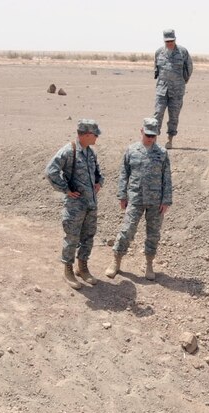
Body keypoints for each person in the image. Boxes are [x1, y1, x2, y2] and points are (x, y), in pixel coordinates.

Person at [106, 118, 172, 281]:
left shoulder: (162, 153)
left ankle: (149, 264)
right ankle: (116, 261)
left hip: (156, 201)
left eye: (153, 135)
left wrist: (166, 200)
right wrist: (122, 195)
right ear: (141, 131)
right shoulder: (131, 150)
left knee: (153, 234)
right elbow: (124, 174)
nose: (150, 138)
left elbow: (167, 178)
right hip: (135, 198)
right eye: (148, 134)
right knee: (127, 230)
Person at [45, 119, 104, 290]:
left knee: (88, 237)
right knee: (72, 238)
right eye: (95, 134)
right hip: (75, 206)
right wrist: (66, 189)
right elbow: (51, 171)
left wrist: (99, 182)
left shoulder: (90, 152)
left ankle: (83, 268)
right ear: (86, 135)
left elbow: (97, 172)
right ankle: (68, 270)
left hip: (91, 204)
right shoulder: (69, 151)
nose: (97, 138)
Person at [153, 29, 193, 149]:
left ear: (175, 39)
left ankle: (170, 140)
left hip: (177, 90)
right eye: (167, 41)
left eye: (171, 40)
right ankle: (153, 140)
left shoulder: (182, 52)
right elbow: (156, 68)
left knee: (174, 116)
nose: (169, 43)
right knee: (157, 113)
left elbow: (189, 68)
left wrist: (182, 81)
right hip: (162, 89)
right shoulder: (159, 52)